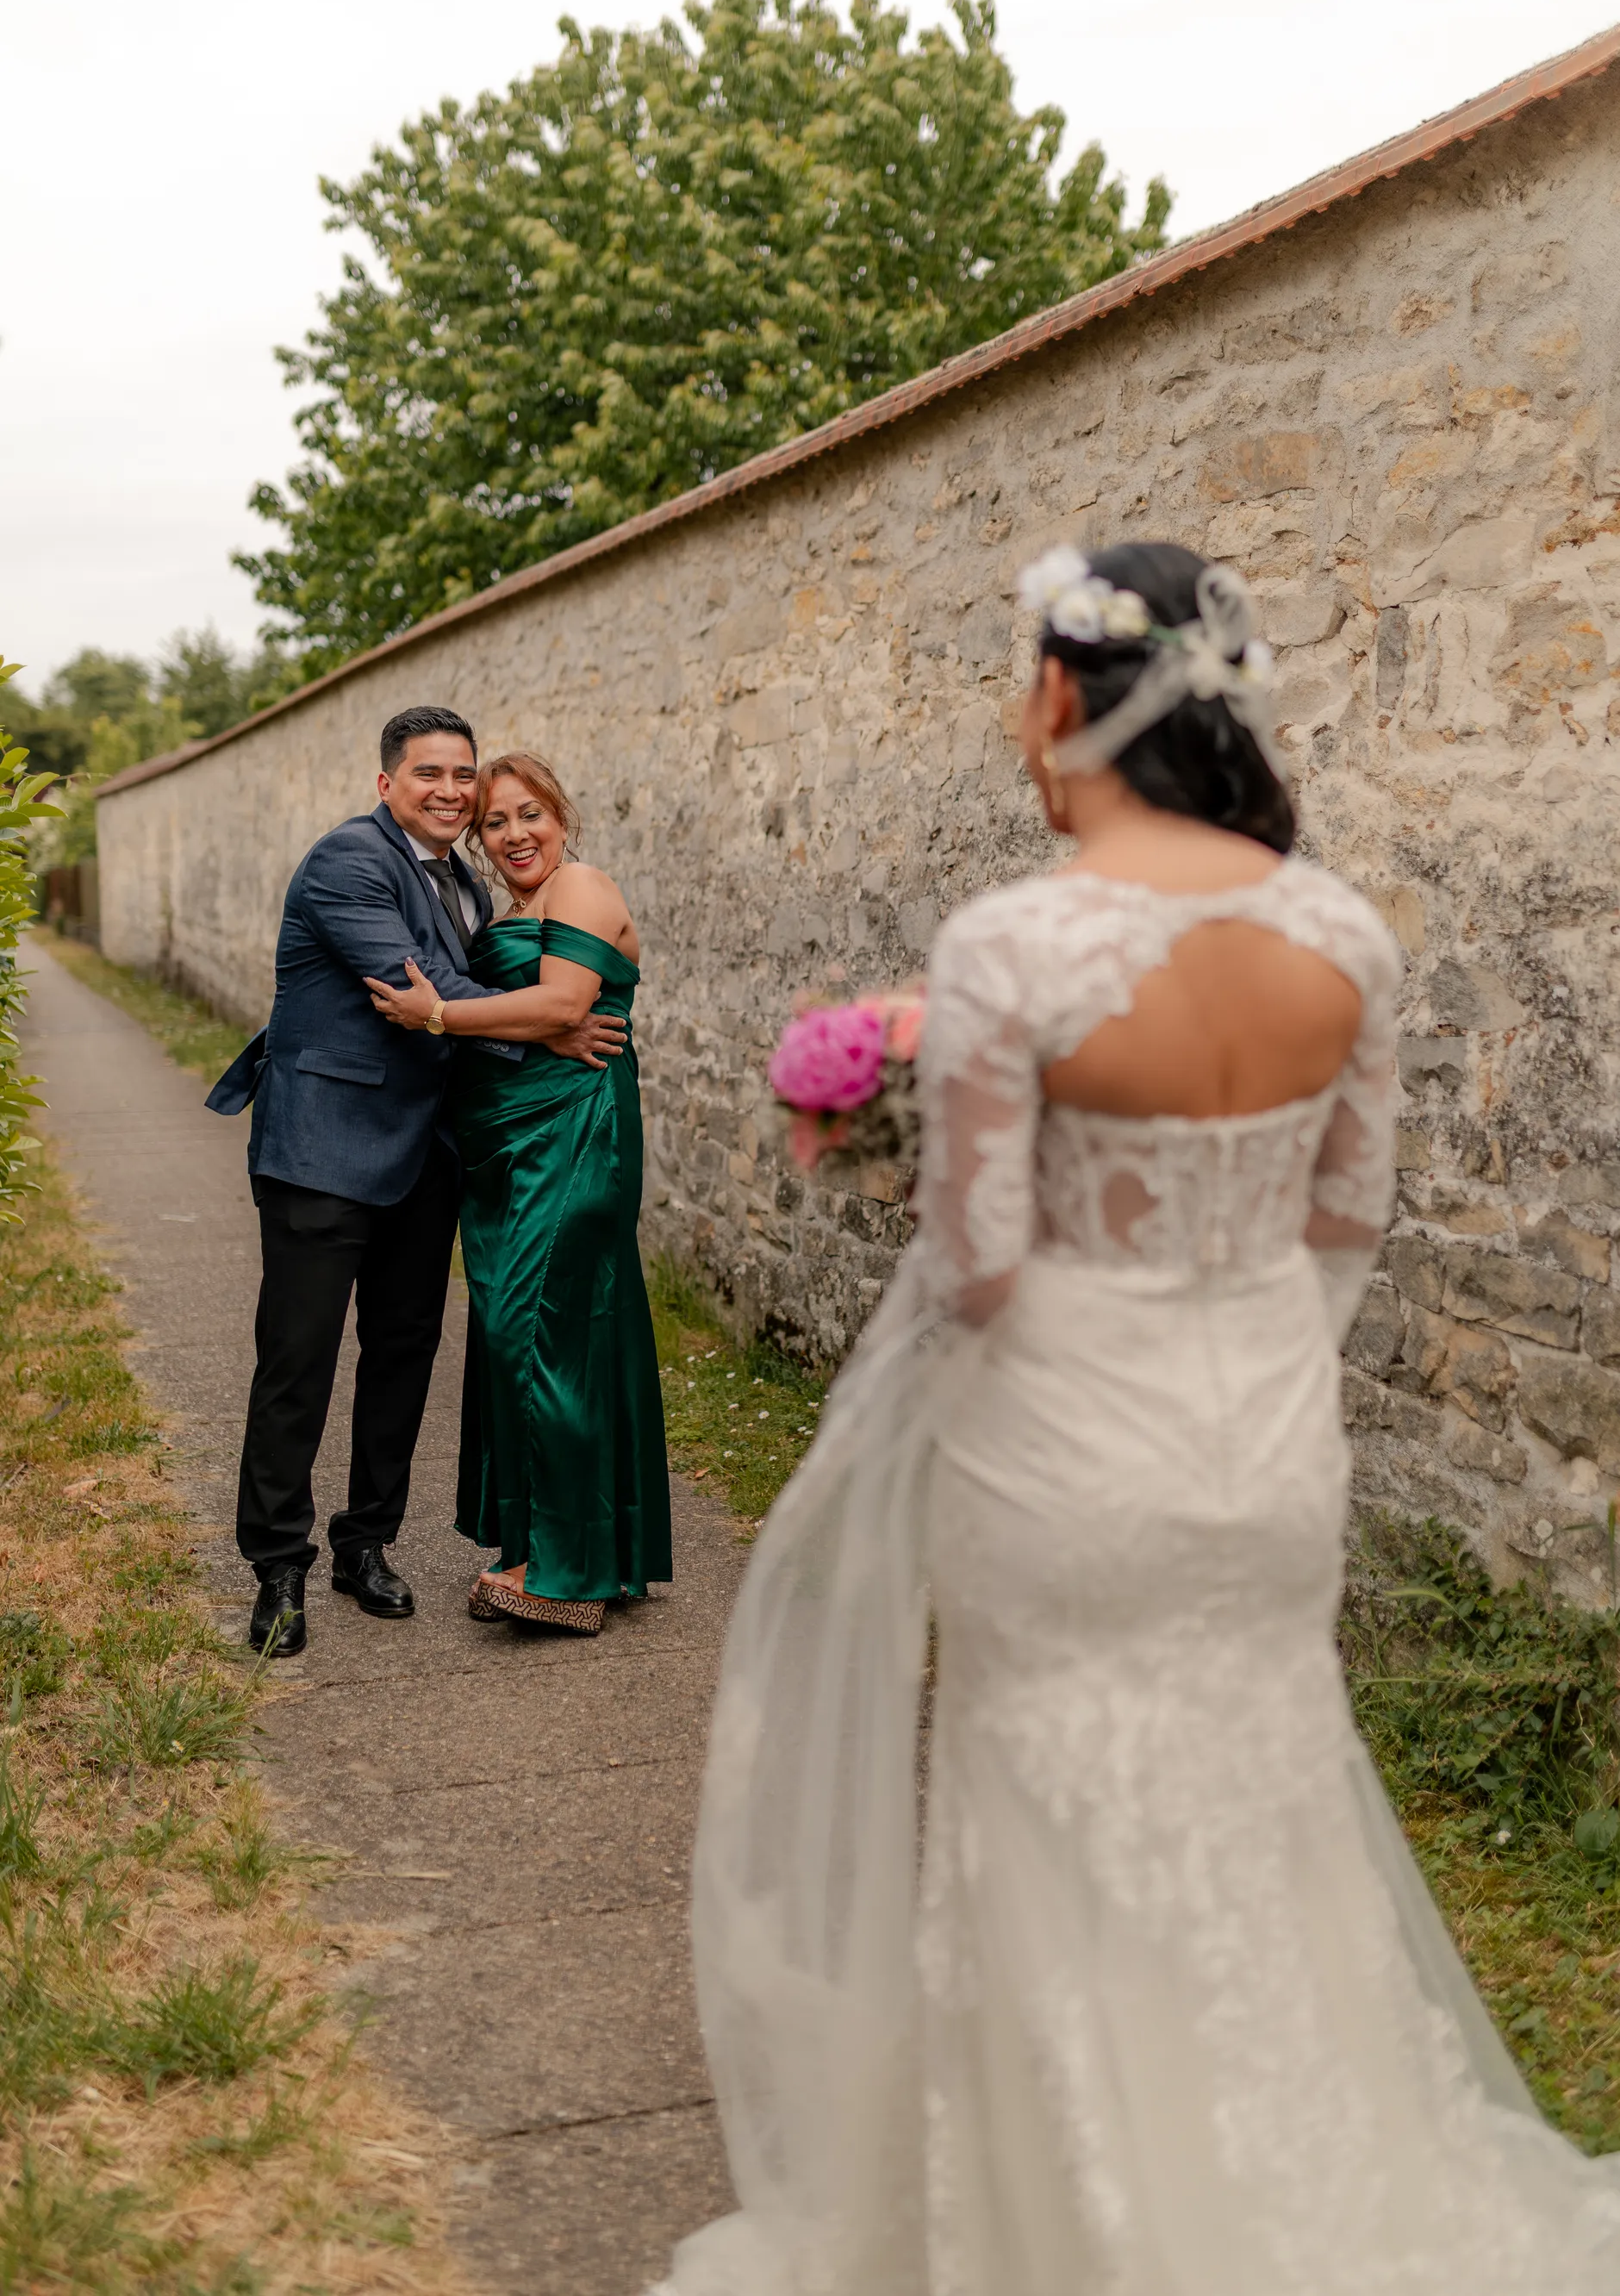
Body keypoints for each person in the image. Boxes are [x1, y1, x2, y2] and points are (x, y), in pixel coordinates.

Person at [651, 545, 1620, 2294]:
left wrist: (893, 1148)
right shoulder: (1337, 931)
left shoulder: (1016, 941)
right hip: (1261, 1456)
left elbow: (981, 1270)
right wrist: (1239, 1359)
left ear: (1058, 695)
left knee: (1052, 1828)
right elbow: (1343, 1222)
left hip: (1060, 1461)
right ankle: (1306, 2200)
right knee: (1263, 1811)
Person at [207, 709, 625, 1659]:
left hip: (423, 1159)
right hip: (322, 1150)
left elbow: (455, 1000)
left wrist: (539, 1024)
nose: (450, 790)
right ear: (386, 782)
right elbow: (421, 984)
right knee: (297, 1361)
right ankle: (278, 1565)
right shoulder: (347, 862)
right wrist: (550, 1019)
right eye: (428, 772)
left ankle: (366, 1545)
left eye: (462, 775)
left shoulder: (467, 883)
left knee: (402, 1356)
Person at [364, 749, 670, 1637]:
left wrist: (439, 1016)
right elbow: (536, 1016)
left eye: (527, 813)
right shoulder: (508, 911)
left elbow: (560, 1006)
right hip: (502, 1155)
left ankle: (566, 1574)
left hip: (572, 1137)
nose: (512, 834)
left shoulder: (581, 886)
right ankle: (574, 1546)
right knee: (547, 1337)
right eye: (494, 822)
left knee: (535, 1335)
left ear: (560, 815)